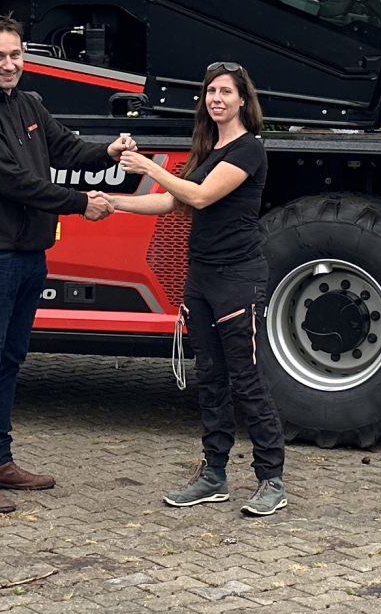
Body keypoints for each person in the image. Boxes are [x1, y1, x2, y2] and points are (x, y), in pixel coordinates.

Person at [0, 14, 133, 514]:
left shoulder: (27, 103)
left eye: (16, 55)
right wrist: (78, 203)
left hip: (29, 252)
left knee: (9, 358)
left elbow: (65, 147)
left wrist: (108, 151)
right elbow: (10, 180)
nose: (9, 65)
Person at [101, 61, 286, 516]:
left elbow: (200, 197)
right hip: (201, 276)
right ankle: (213, 475)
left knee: (247, 378)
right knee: (210, 377)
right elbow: (170, 201)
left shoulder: (249, 150)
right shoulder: (208, 152)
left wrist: (146, 164)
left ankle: (271, 480)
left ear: (244, 99)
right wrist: (112, 203)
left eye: (226, 92)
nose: (217, 99)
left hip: (237, 276)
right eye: (210, 92)